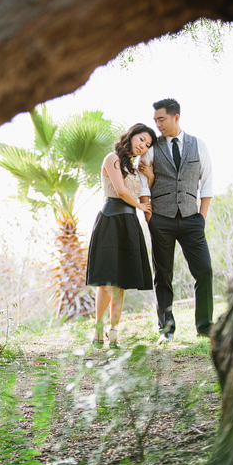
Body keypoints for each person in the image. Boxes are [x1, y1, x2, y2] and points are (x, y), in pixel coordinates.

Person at [86, 124, 156, 349]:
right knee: (106, 281)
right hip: (110, 220)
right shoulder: (111, 159)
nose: (142, 146)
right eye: (142, 139)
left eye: (147, 145)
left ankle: (114, 333)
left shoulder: (137, 169)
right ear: (132, 134)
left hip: (128, 222)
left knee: (121, 283)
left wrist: (150, 176)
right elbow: (122, 191)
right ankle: (98, 332)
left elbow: (144, 193)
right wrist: (141, 207)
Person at [149, 98, 214, 342]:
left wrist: (201, 218)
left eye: (161, 119)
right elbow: (145, 184)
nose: (158, 125)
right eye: (155, 120)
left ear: (176, 117)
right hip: (161, 220)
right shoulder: (152, 147)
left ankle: (205, 326)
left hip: (192, 219)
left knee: (204, 270)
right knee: (163, 275)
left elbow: (207, 182)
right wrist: (151, 219)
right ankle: (166, 330)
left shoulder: (199, 145)